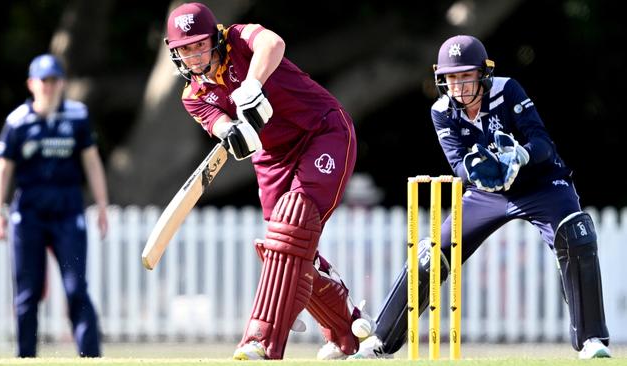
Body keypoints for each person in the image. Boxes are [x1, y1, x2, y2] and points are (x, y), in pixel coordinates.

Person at [349, 35, 611, 360]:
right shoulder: (441, 110)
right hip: (487, 193)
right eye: (451, 77)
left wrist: (520, 157)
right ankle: (382, 342)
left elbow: (542, 143)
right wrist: (480, 173)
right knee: (430, 255)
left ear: (483, 74)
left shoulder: (507, 90)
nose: (458, 85)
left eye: (465, 75)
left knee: (576, 236)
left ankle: (591, 341)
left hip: (541, 184)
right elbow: (458, 165)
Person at [162, 2, 373, 360]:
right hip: (272, 158)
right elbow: (218, 125)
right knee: (283, 246)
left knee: (294, 223)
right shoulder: (193, 96)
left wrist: (252, 86)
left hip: (321, 130)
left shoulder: (240, 40)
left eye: (199, 45)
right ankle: (347, 333)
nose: (195, 56)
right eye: (186, 49)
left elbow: (273, 44)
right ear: (176, 53)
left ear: (214, 38)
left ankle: (259, 340)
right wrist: (231, 131)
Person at [0, 54, 108, 357]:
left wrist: (102, 206)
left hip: (68, 211)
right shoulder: (17, 122)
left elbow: (92, 162)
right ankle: (26, 357)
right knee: (27, 293)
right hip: (28, 213)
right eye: (44, 81)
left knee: (75, 288)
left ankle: (91, 357)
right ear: (32, 84)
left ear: (62, 83)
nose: (50, 87)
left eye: (55, 81)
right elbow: (2, 170)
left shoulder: (77, 116)